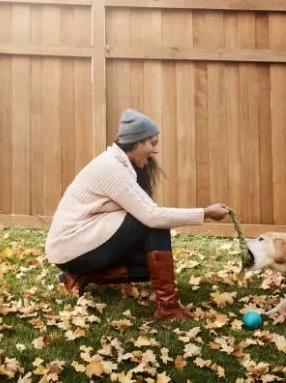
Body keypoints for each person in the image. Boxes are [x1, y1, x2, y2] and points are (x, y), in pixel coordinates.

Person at [44, 108, 231, 320]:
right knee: (155, 222)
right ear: (135, 143)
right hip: (71, 245)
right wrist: (205, 213)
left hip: (82, 244)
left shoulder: (120, 164)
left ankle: (80, 275)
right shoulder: (111, 168)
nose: (154, 151)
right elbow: (153, 216)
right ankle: (168, 308)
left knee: (151, 266)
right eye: (152, 144)